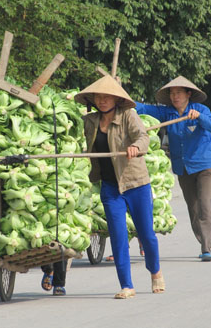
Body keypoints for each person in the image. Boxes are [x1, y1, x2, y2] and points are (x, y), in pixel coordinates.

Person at [75, 74, 165, 299]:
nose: (102, 100)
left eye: (107, 97)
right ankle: (127, 285)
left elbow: (143, 137)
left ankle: (155, 271)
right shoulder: (90, 121)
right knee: (117, 235)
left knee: (146, 234)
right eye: (98, 97)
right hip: (110, 187)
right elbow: (74, 138)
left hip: (135, 183)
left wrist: (136, 147)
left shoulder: (128, 116)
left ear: (116, 99)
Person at [135, 76, 211, 262]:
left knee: (204, 205)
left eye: (179, 93)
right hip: (183, 168)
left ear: (188, 94)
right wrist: (120, 97)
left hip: (204, 165)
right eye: (172, 94)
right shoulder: (167, 113)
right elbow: (142, 108)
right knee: (193, 208)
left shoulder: (200, 109)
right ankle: (205, 239)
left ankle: (206, 247)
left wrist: (200, 118)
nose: (175, 97)